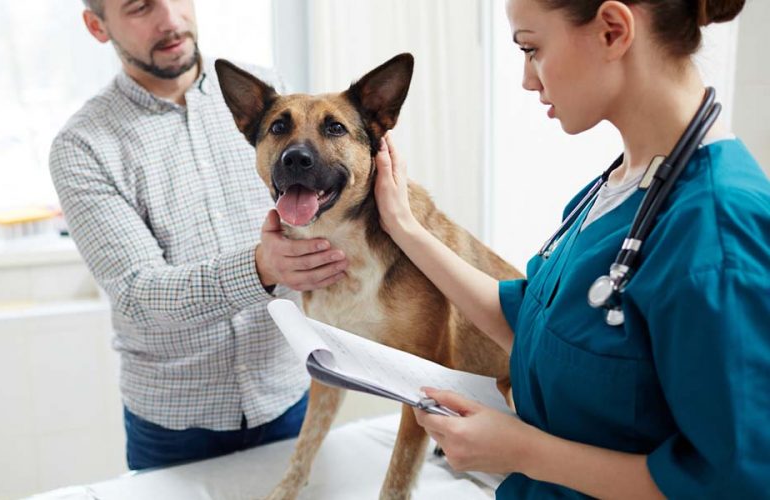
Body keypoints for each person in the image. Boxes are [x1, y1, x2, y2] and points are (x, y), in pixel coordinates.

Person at [374, 0, 769, 497]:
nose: (528, 80)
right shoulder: (620, 185)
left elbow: (733, 486)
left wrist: (520, 451)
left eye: (532, 49)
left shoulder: (717, 232)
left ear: (612, 31)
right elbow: (530, 325)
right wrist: (404, 227)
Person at [49, 0, 348, 470]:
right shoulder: (84, 145)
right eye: (140, 7)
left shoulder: (274, 99)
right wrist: (260, 268)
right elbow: (137, 294)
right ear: (96, 26)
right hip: (175, 428)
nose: (170, 20)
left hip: (289, 395)